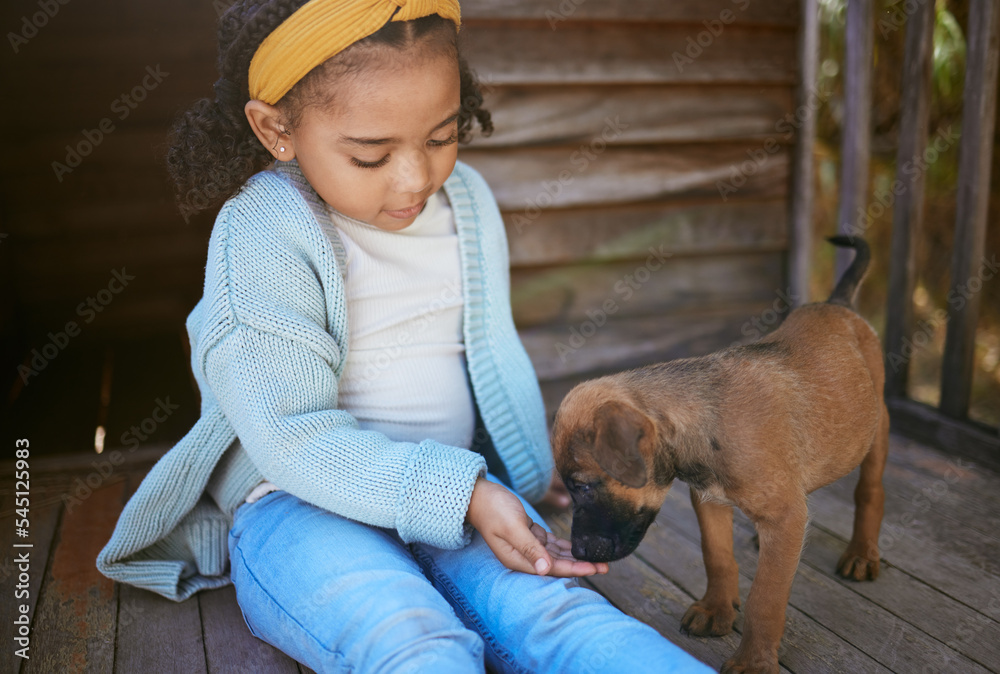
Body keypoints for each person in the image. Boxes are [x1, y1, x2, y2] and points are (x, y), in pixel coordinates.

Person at [97, 1, 714, 672]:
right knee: (408, 637)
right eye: (371, 156)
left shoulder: (468, 204)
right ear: (276, 128)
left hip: (453, 500)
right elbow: (293, 437)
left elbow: (486, 354)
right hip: (298, 508)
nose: (416, 177)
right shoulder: (262, 233)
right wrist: (467, 493)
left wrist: (527, 470)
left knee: (564, 619)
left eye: (442, 137)